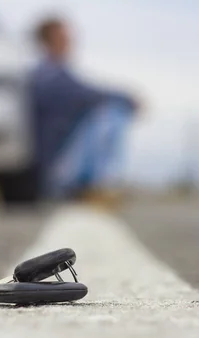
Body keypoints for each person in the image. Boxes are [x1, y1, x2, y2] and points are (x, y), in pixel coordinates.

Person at [28, 16, 140, 205]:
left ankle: (95, 183)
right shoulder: (49, 77)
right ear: (49, 40)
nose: (70, 42)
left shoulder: (49, 74)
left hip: (56, 162)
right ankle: (98, 183)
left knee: (109, 109)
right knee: (112, 114)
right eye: (63, 37)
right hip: (54, 166)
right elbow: (88, 94)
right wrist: (129, 99)